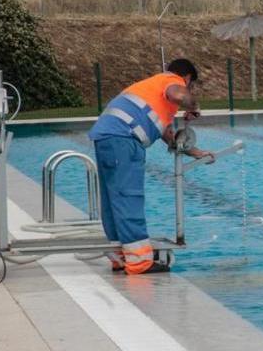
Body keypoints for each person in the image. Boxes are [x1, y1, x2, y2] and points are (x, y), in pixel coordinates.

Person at [88, 58, 214, 274]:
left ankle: (120, 257)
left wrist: (195, 152)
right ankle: (139, 262)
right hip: (124, 139)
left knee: (113, 199)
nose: (188, 89)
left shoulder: (151, 89)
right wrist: (194, 106)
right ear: (186, 78)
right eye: (190, 85)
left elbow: (168, 136)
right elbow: (179, 94)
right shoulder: (171, 81)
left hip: (107, 137)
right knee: (129, 196)